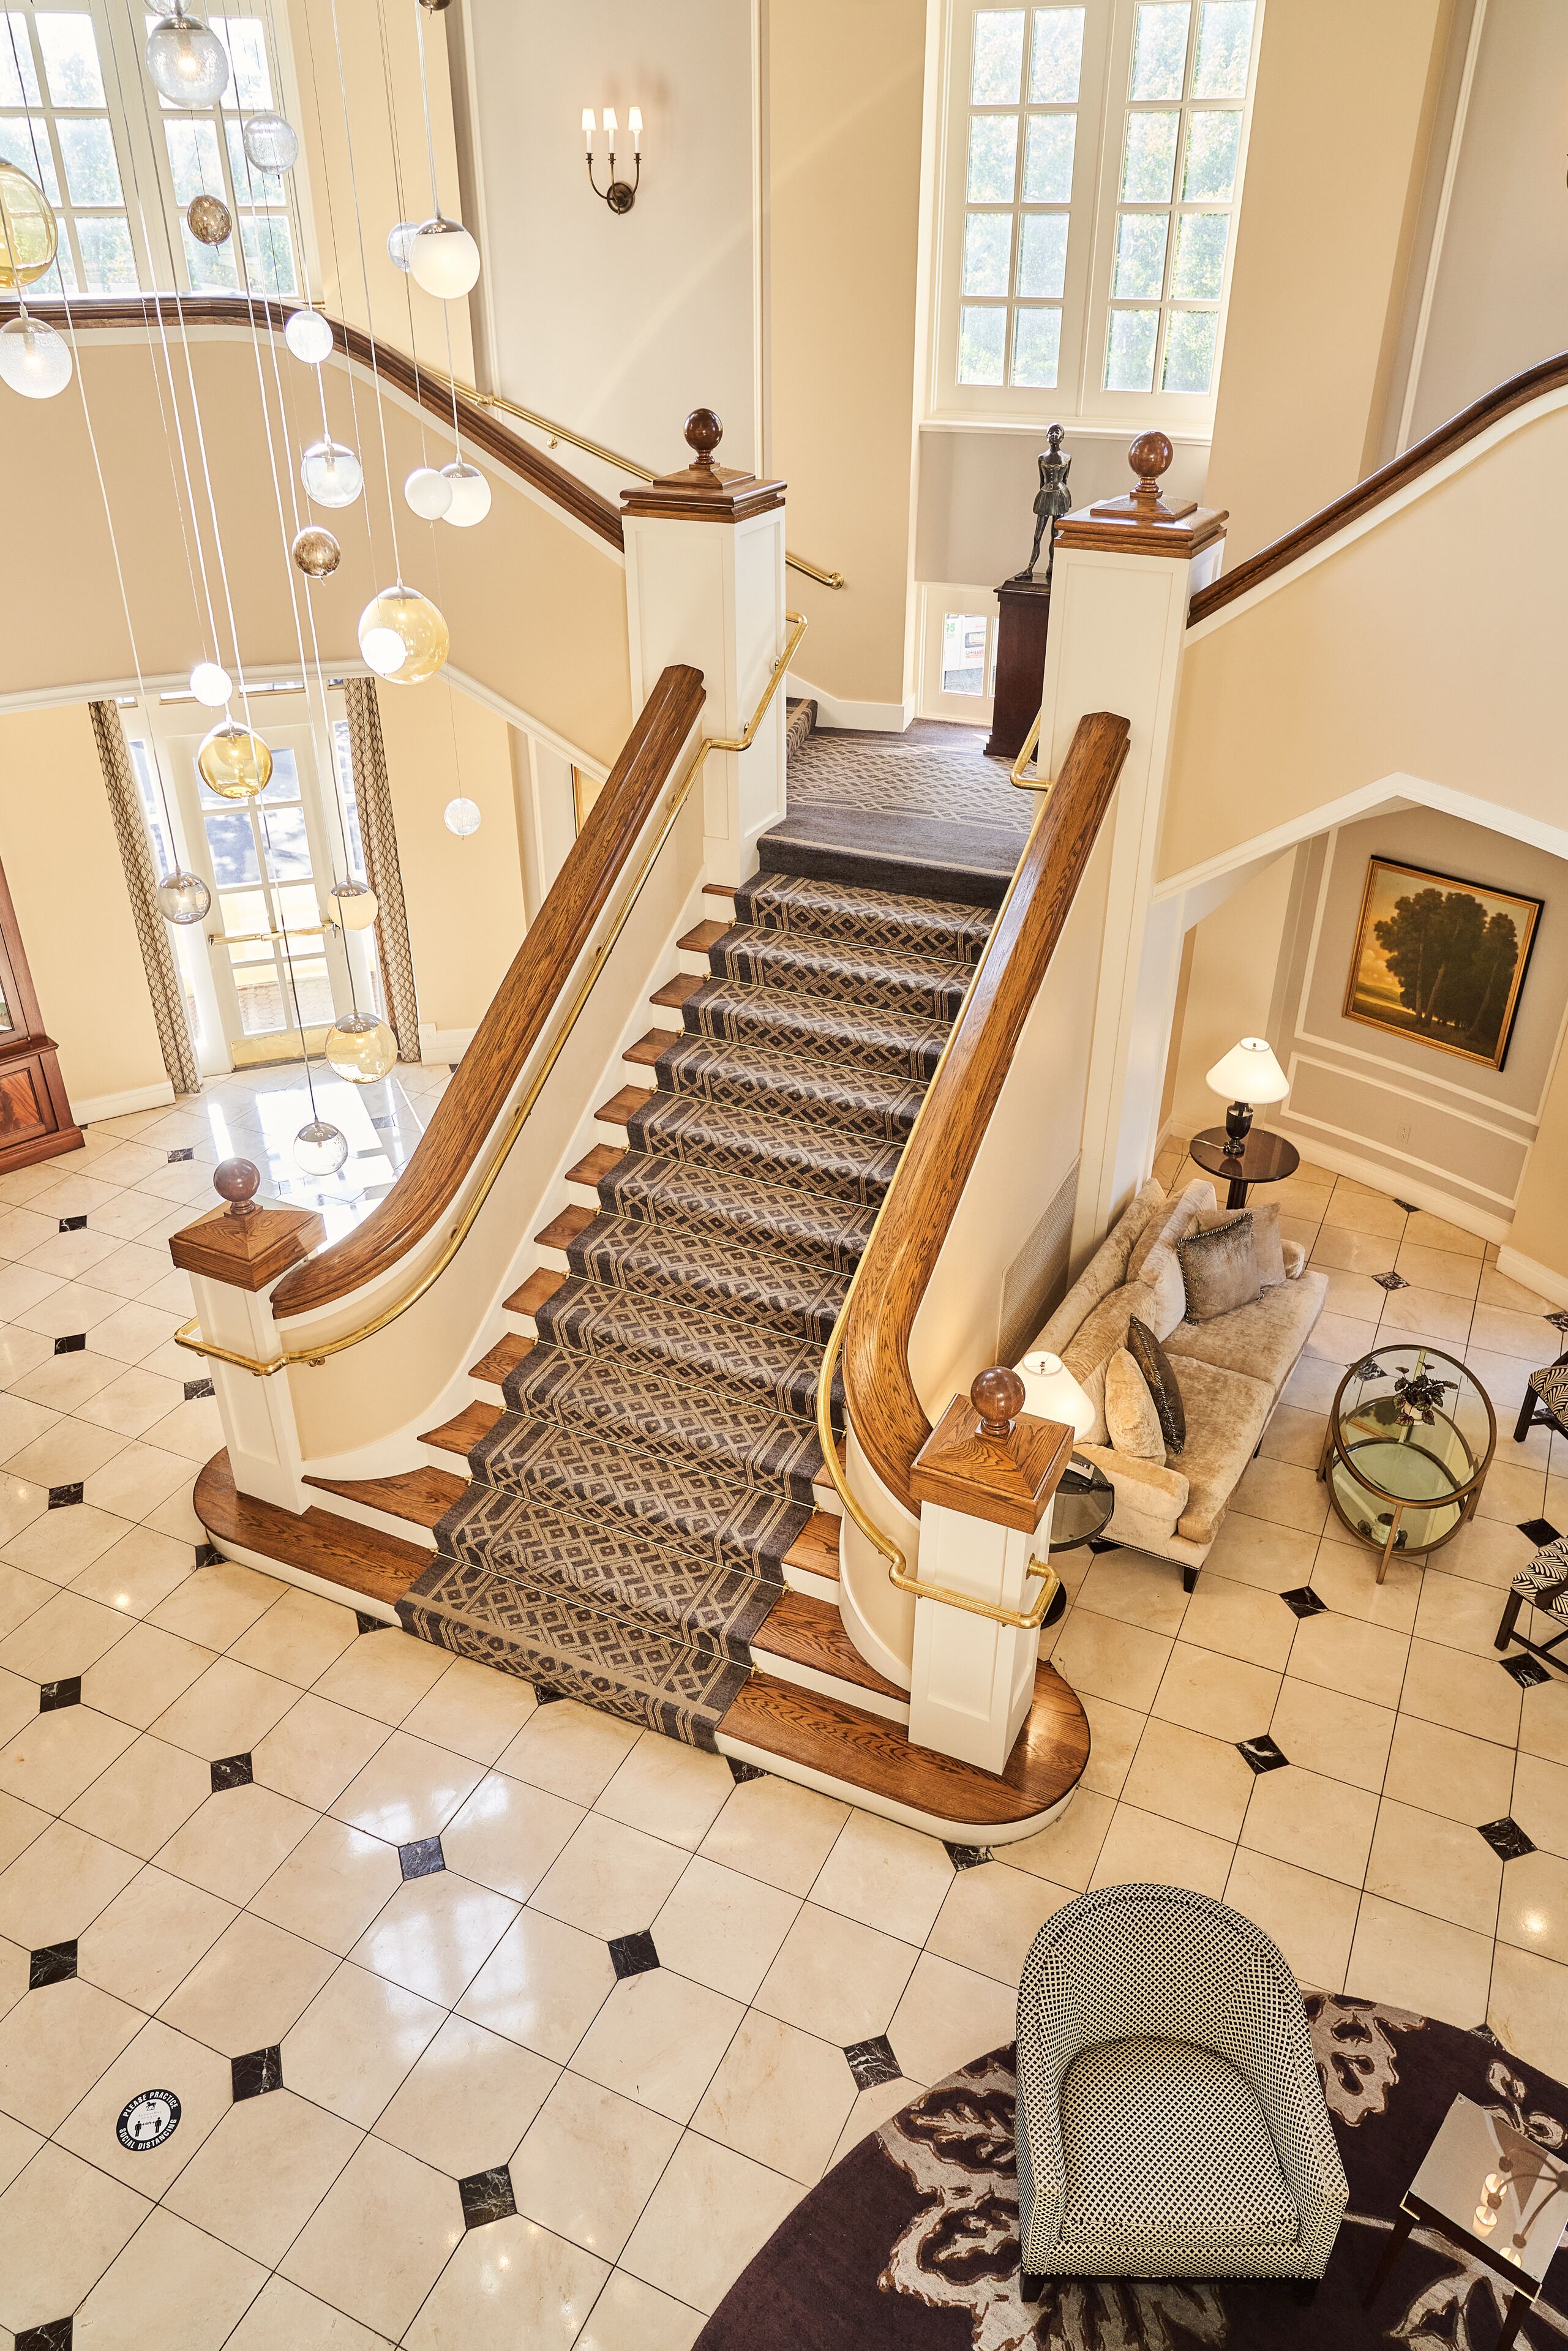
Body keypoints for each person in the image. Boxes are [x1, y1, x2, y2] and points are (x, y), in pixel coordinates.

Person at [1013, 422, 1072, 586]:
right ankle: (1030, 568)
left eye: (1057, 432)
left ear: (1062, 436)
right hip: (1045, 496)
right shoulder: (1042, 458)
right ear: (1047, 436)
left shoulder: (1067, 458)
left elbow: (1065, 480)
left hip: (1060, 496)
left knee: (1055, 534)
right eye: (1051, 433)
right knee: (1037, 536)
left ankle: (1052, 566)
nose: (1054, 435)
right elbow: (1042, 481)